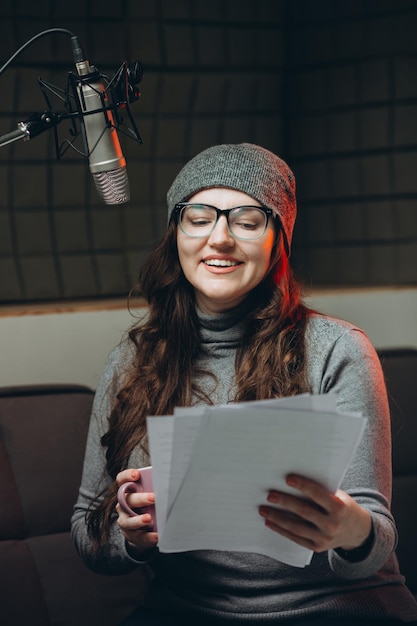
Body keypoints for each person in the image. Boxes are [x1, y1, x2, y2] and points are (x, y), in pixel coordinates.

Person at [71, 143, 417, 625]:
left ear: (278, 240)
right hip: (187, 609)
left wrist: (351, 529)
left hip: (331, 608)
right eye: (199, 217)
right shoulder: (132, 360)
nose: (220, 238)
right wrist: (128, 537)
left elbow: (376, 541)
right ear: (176, 235)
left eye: (248, 221)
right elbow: (87, 532)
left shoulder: (338, 349)